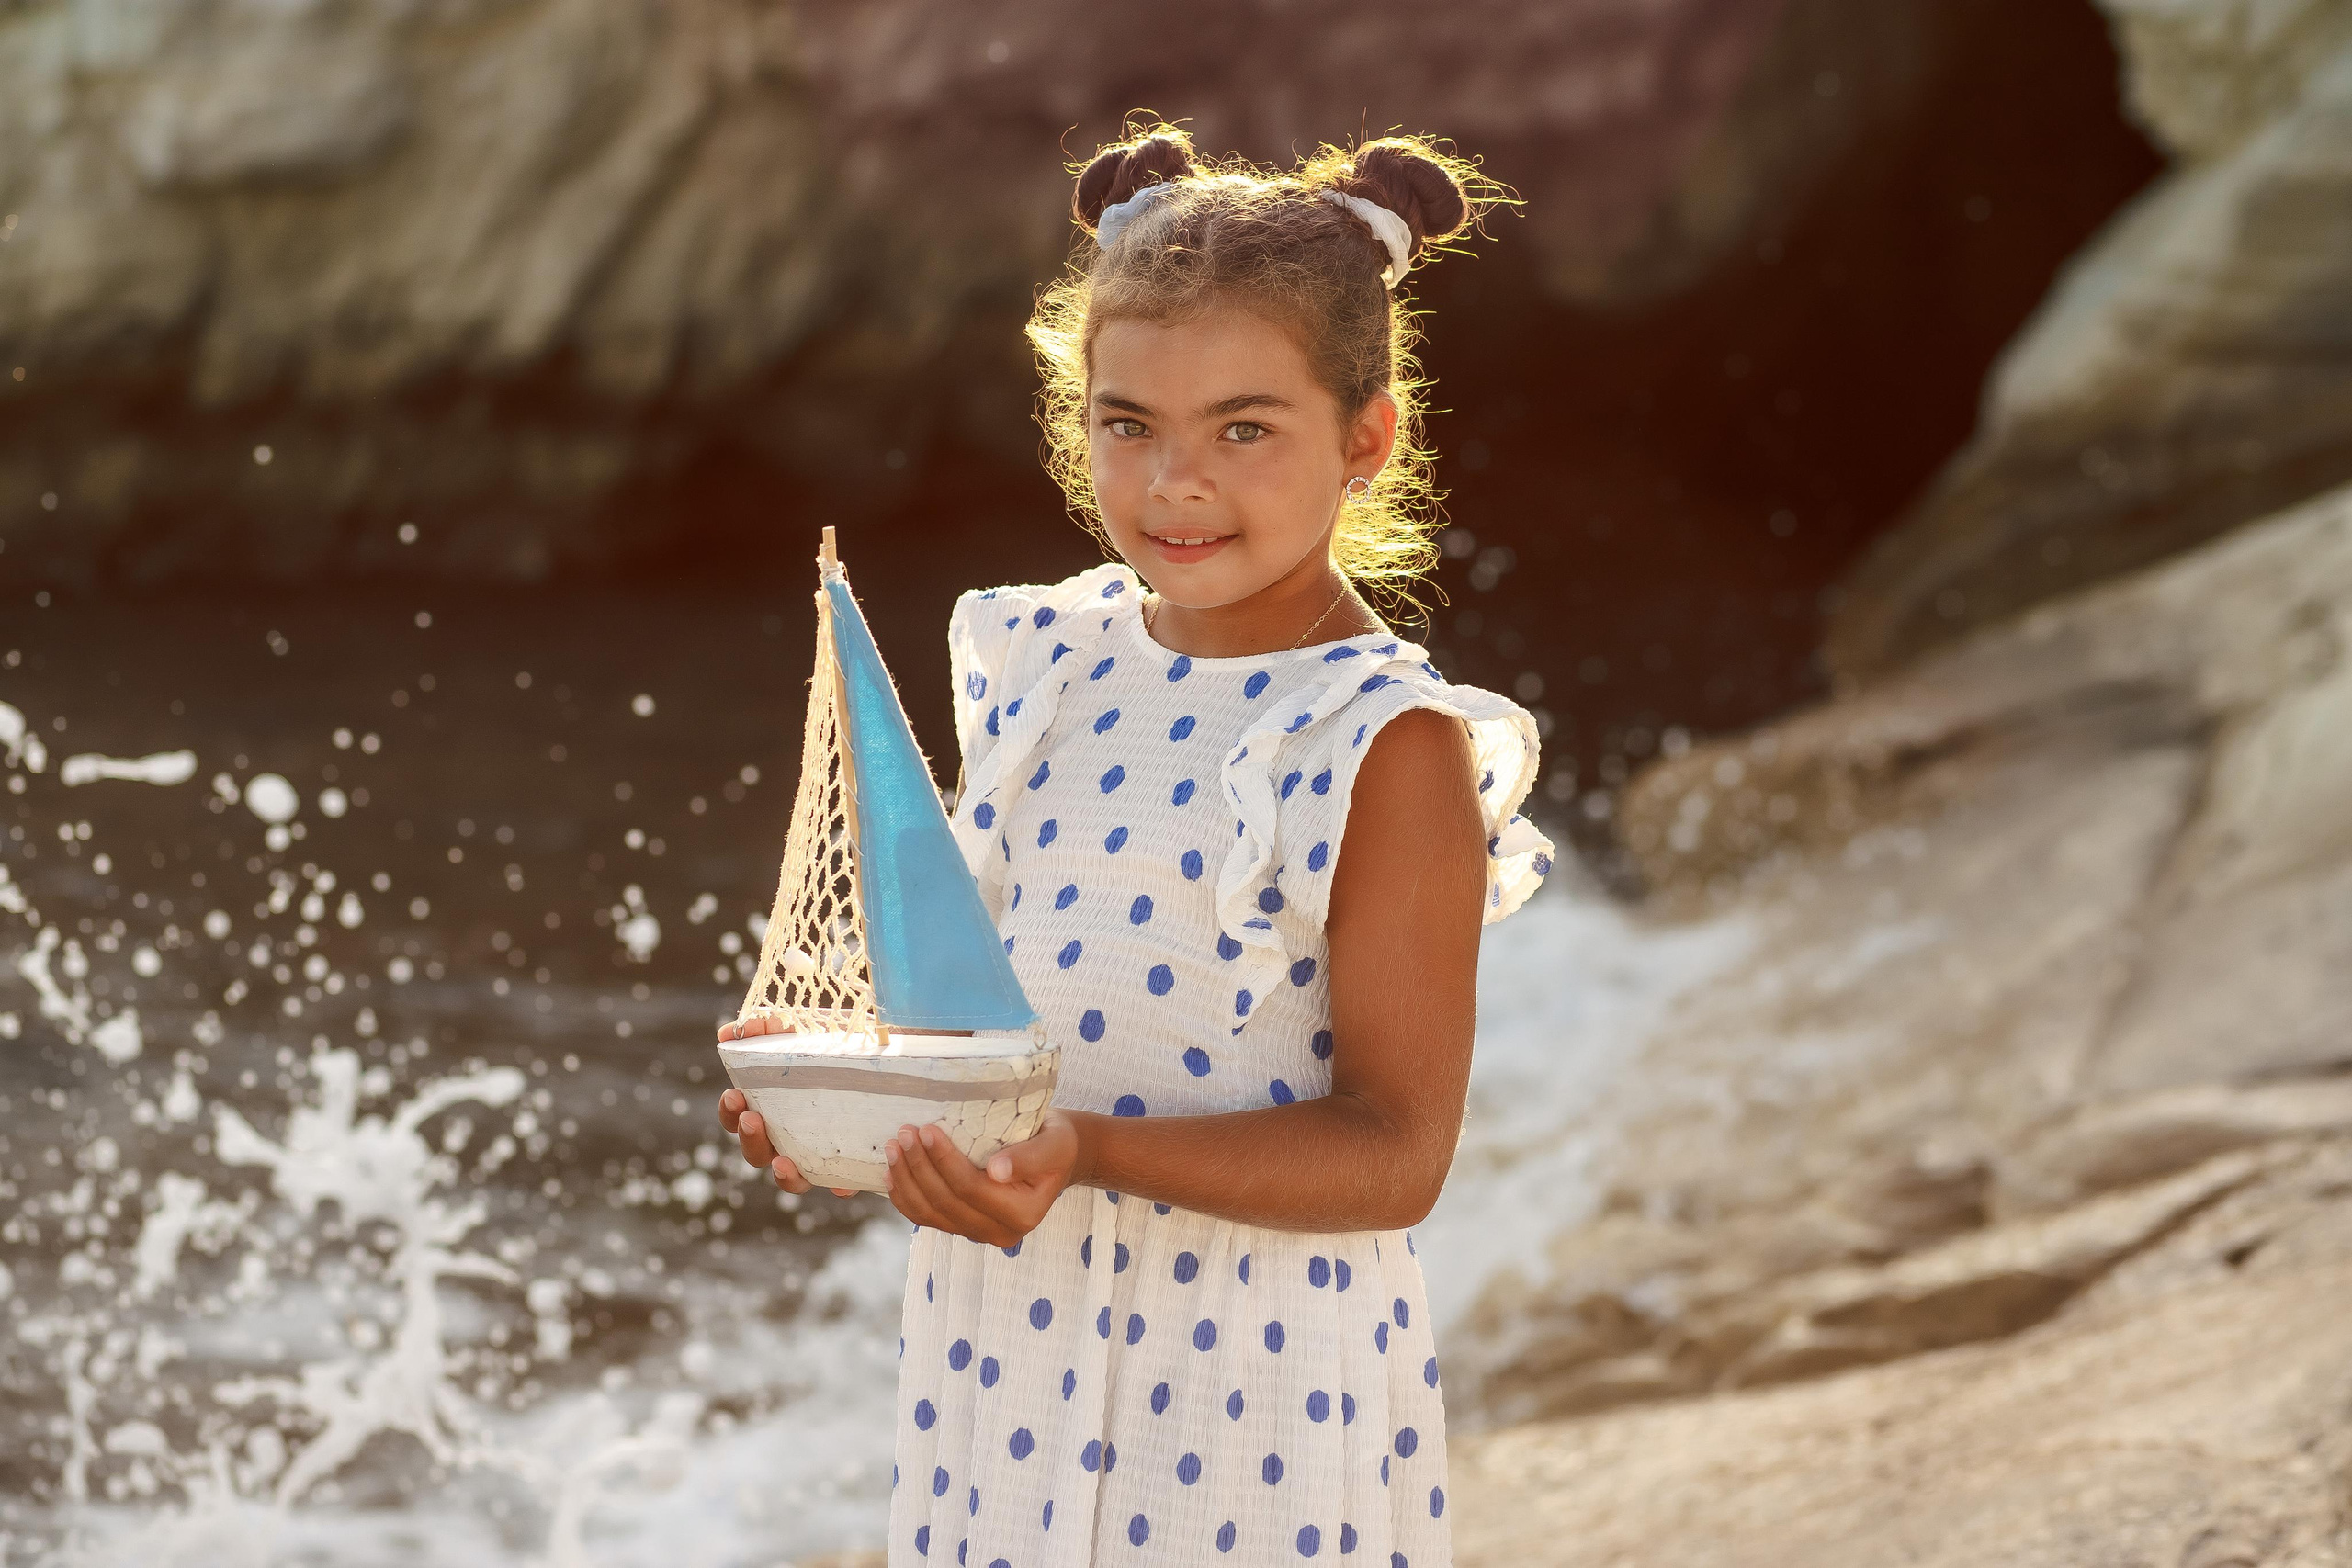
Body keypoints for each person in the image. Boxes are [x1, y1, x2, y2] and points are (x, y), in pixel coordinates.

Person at [718, 119, 1555, 1567]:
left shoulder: (1380, 744)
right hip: (1003, 1368)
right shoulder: (1047, 670)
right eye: (1129, 424)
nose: (1174, 485)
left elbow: (1397, 1153)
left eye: (1244, 429)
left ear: (1367, 434)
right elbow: (1004, 1016)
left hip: (1252, 1407)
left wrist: (1085, 1152)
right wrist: (857, 1110)